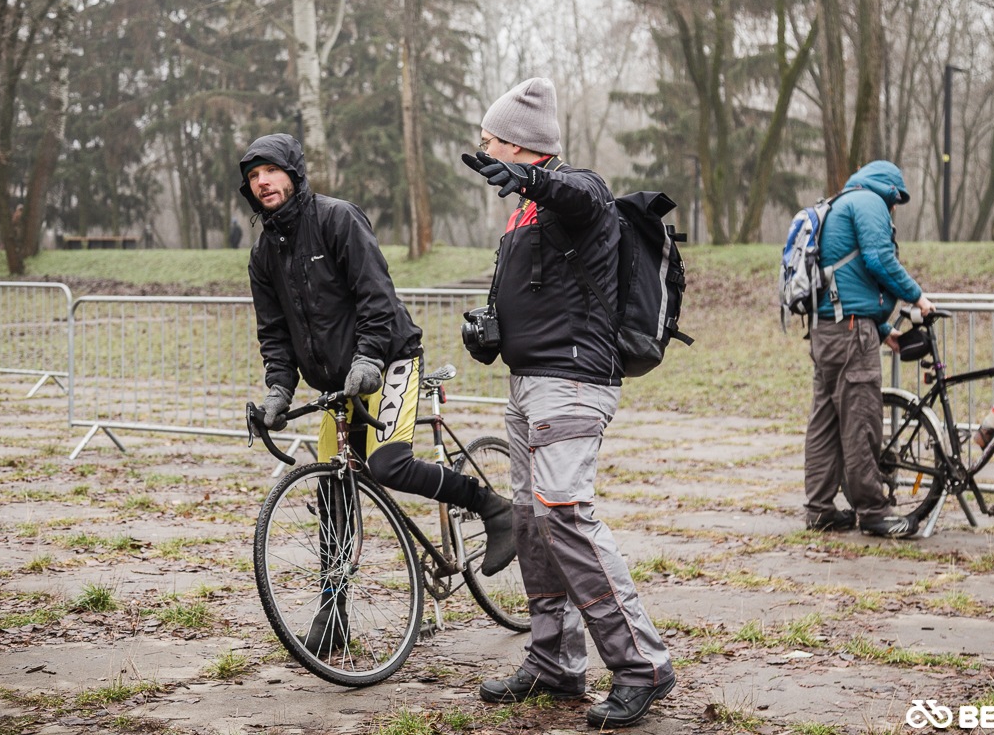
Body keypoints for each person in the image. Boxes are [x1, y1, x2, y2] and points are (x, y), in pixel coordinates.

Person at [239, 133, 516, 649]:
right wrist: (278, 391)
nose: (262, 182)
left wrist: (368, 356)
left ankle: (494, 507)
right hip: (337, 385)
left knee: (388, 465)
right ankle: (334, 612)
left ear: (293, 174)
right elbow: (274, 333)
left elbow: (377, 296)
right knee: (334, 493)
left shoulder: (337, 218)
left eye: (270, 171)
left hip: (389, 359)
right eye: (253, 176)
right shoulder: (263, 255)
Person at [461, 78, 675, 729]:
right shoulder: (522, 214)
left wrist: (532, 179)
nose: (483, 148)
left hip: (575, 380)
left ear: (520, 145)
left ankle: (642, 665)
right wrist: (490, 330)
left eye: (491, 139)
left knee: (563, 512)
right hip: (527, 382)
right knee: (532, 522)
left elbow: (578, 192)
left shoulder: (579, 191)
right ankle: (554, 660)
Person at [803, 160, 935, 538]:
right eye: (897, 199)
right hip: (850, 333)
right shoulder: (869, 202)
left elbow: (848, 277)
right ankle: (874, 512)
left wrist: (882, 328)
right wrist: (918, 297)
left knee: (825, 422)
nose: (895, 207)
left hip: (827, 329)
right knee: (862, 419)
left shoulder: (840, 203)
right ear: (890, 189)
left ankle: (819, 509)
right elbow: (879, 259)